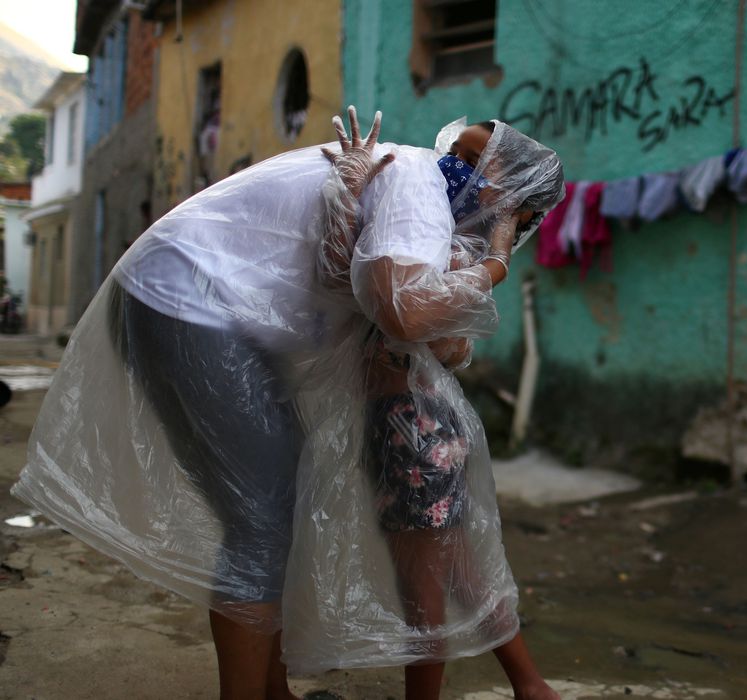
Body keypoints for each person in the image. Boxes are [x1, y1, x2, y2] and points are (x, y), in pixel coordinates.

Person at [13, 108, 564, 700]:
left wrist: (476, 233)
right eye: (516, 218)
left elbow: (407, 314)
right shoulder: (419, 185)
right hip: (192, 300)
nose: (503, 232)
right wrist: (497, 259)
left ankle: (273, 689)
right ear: (499, 198)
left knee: (273, 513)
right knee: (264, 518)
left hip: (184, 302)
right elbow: (404, 311)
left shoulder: (409, 197)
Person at [320, 115, 562, 700]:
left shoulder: (450, 258)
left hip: (411, 429)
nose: (458, 161)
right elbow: (343, 282)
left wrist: (499, 247)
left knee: (422, 587)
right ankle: (530, 685)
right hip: (418, 426)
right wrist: (352, 197)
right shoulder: (433, 241)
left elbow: (444, 342)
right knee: (459, 571)